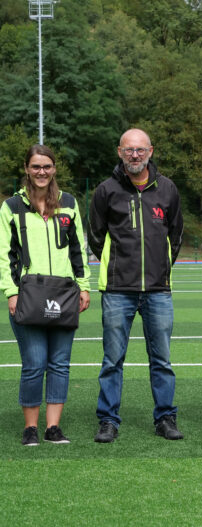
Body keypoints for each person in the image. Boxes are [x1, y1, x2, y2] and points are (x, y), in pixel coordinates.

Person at [88, 128, 184, 443]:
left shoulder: (167, 189)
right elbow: (96, 236)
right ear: (120, 152)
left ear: (150, 151)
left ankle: (166, 418)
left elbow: (176, 235)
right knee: (112, 360)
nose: (135, 155)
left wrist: (161, 269)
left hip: (157, 290)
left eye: (140, 150)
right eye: (129, 150)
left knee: (162, 360)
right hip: (117, 290)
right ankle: (108, 420)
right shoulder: (106, 191)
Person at [0, 144, 90, 445]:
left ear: (54, 169)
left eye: (47, 166)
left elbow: (79, 248)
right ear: (26, 169)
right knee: (35, 362)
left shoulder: (69, 203)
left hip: (63, 294)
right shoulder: (11, 206)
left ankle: (53, 428)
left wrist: (84, 284)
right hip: (27, 295)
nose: (42, 172)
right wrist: (11, 292)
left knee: (60, 363)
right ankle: (30, 428)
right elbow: (4, 255)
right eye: (36, 166)